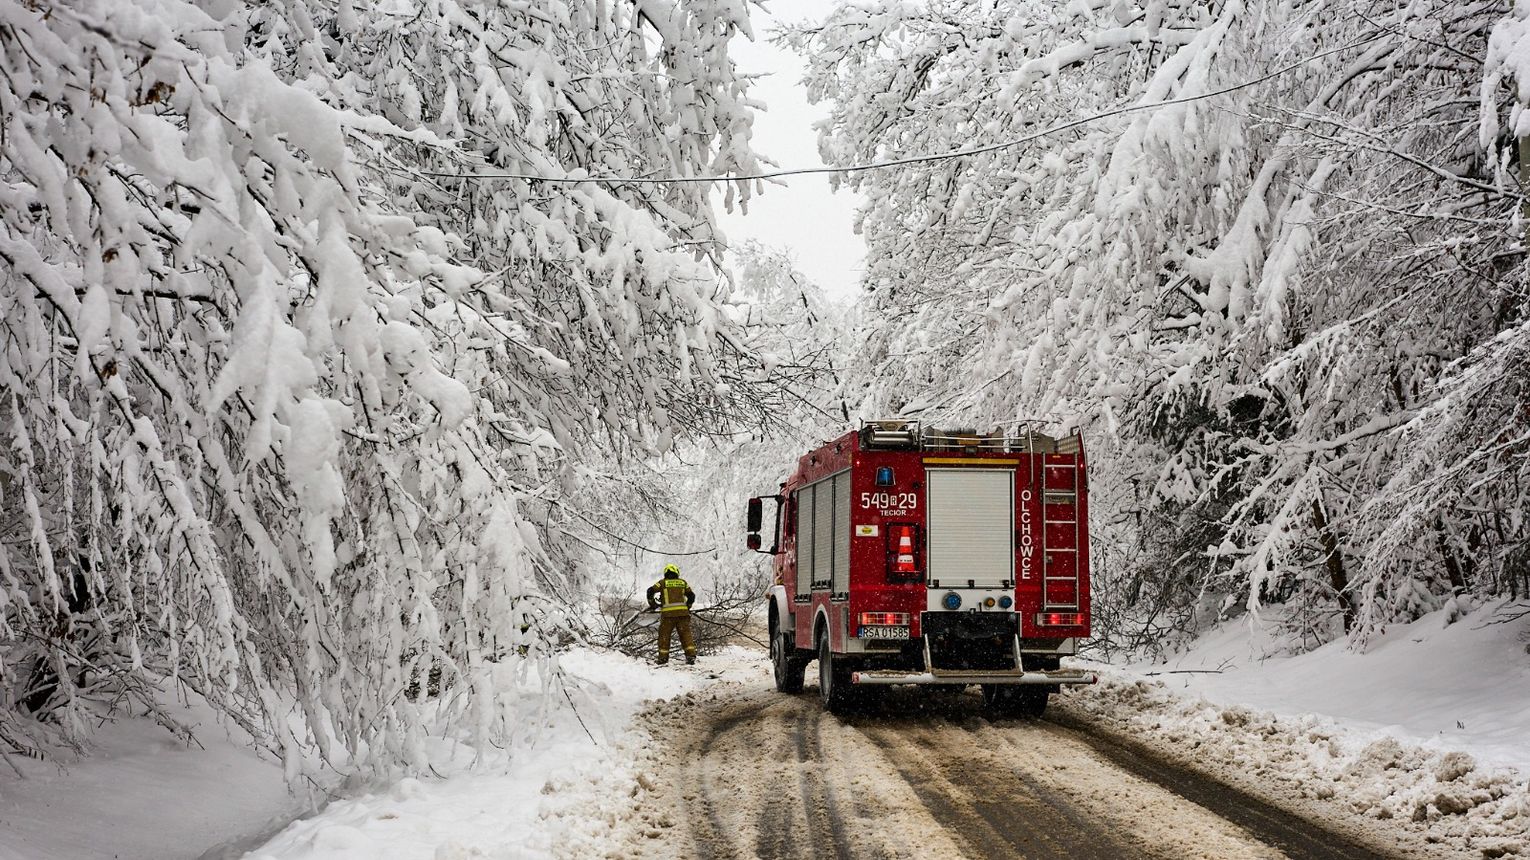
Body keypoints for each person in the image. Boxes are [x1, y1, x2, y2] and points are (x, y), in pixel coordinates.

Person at [646, 563, 696, 665]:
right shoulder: (682, 583)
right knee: (686, 635)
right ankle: (690, 656)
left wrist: (653, 604)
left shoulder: (662, 583)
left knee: (664, 636)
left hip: (668, 616)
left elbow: (650, 591)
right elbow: (691, 595)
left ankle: (663, 658)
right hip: (683, 615)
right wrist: (688, 606)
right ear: (676, 572)